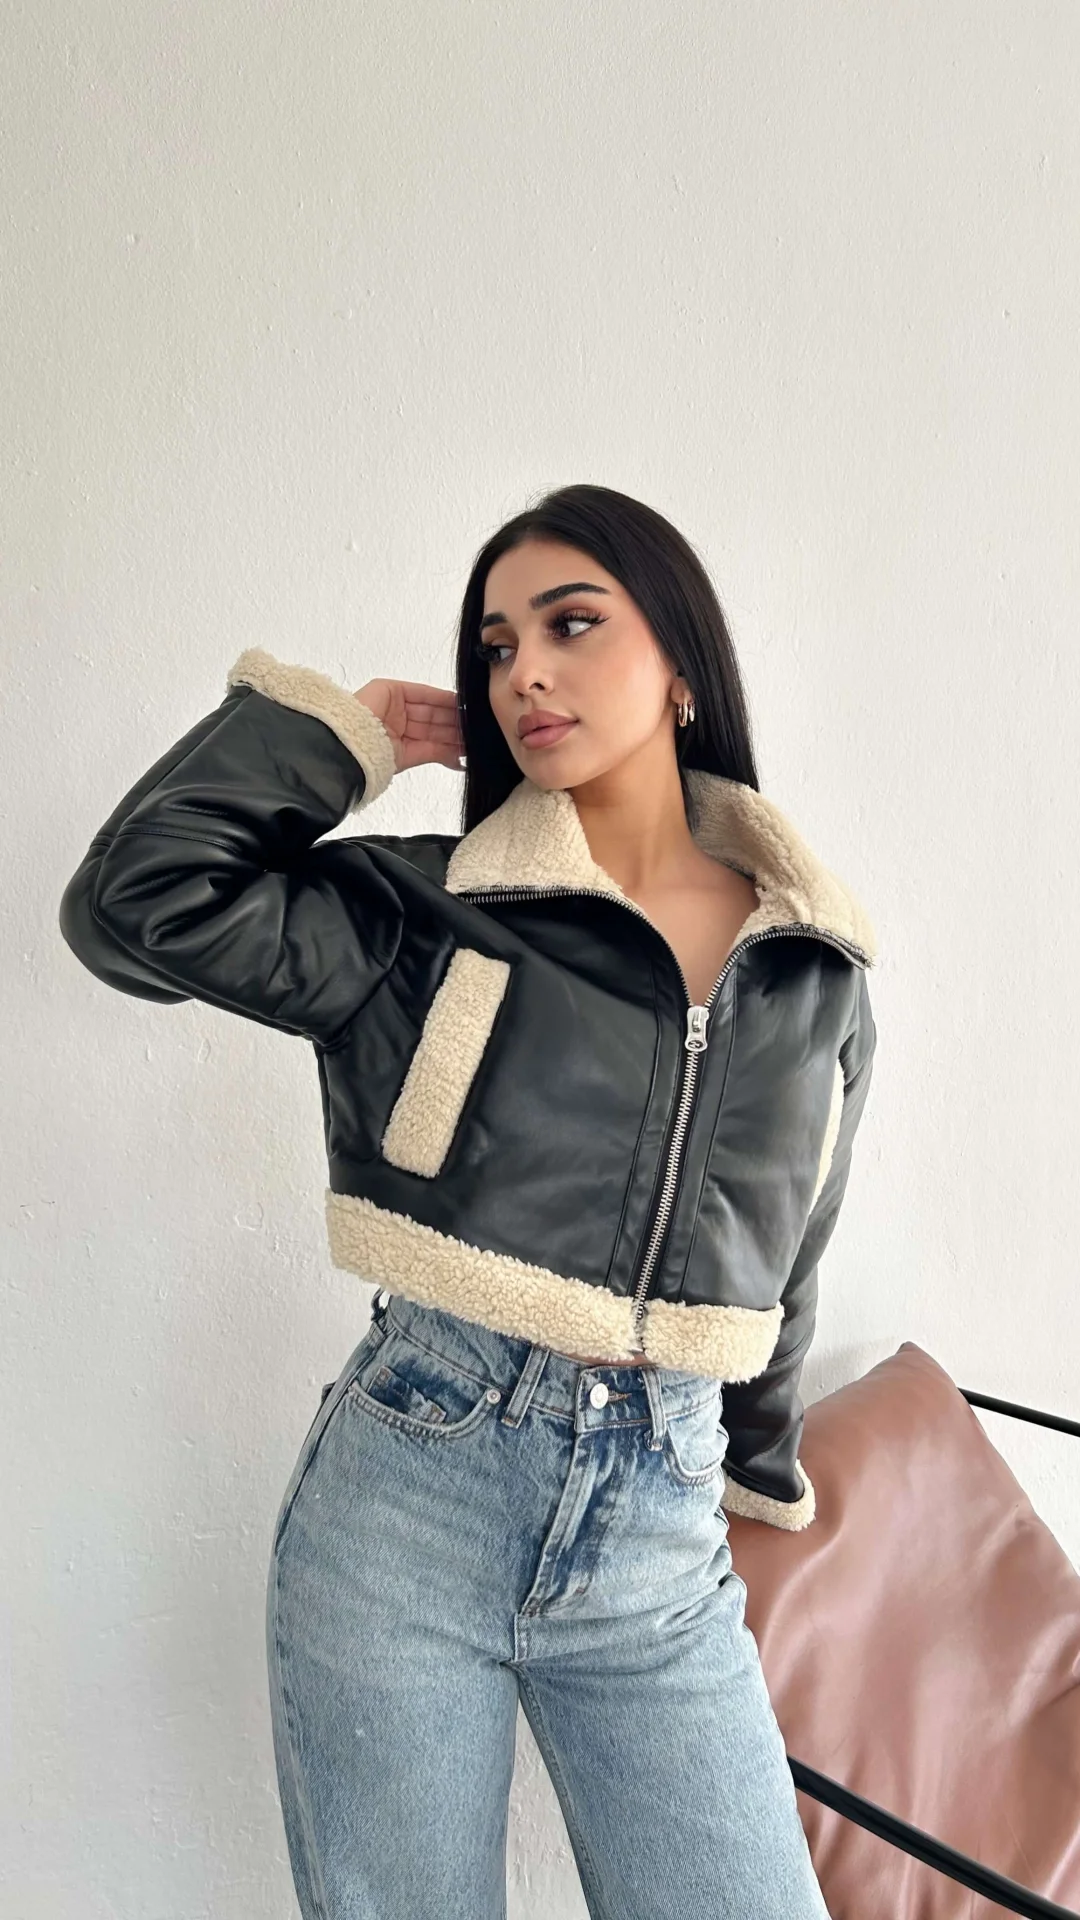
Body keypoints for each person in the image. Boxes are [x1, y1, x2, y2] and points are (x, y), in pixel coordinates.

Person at [58, 482, 877, 1919]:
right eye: (497, 647)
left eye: (572, 625)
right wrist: (343, 738)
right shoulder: (421, 914)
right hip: (412, 1502)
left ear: (682, 666)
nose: (524, 675)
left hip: (663, 1545)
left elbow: (786, 1253)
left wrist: (753, 1470)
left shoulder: (812, 969)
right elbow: (138, 902)